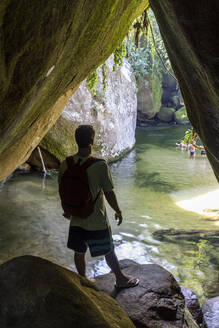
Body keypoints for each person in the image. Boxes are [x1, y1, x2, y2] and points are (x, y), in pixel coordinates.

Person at [58, 125, 139, 288]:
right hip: (96, 218)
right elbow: (109, 193)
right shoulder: (100, 165)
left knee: (79, 251)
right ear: (92, 141)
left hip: (76, 217)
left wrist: (68, 210)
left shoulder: (65, 163)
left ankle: (83, 278)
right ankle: (121, 279)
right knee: (108, 249)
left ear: (76, 141)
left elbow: (62, 189)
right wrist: (118, 210)